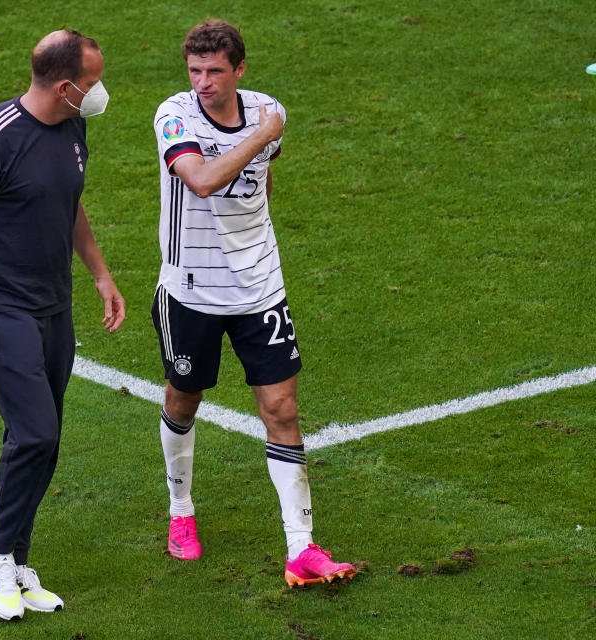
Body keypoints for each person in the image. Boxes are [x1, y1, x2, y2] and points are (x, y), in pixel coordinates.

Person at [150, 20, 355, 587]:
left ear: (239, 69)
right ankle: (182, 512)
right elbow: (203, 181)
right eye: (194, 70)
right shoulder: (176, 115)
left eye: (215, 71)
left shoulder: (268, 111)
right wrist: (261, 136)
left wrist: (252, 240)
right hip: (190, 292)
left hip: (260, 287)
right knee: (183, 400)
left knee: (283, 410)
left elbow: (261, 184)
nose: (203, 82)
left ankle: (302, 547)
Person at [0, 29, 125, 620]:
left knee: (46, 438)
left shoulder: (73, 126)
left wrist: (99, 272)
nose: (98, 94)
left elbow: (68, 201)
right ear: (64, 87)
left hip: (53, 303)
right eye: (91, 84)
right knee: (35, 432)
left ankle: (16, 558)